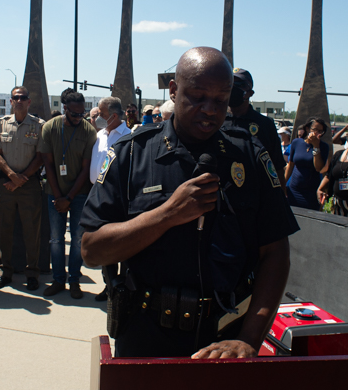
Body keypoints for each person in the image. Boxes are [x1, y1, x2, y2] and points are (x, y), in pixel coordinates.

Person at [81, 47, 298, 358]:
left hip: (227, 337)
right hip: (147, 336)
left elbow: (276, 253)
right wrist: (167, 214)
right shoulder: (132, 155)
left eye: (221, 100)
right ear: (173, 90)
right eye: (197, 96)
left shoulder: (249, 157)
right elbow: (91, 249)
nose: (210, 109)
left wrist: (249, 338)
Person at [40, 89, 97, 299]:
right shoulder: (49, 127)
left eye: (82, 113)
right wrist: (58, 196)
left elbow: (86, 168)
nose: (79, 117)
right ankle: (58, 280)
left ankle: (74, 280)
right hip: (54, 192)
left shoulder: (88, 131)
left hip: (79, 194)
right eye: (75, 114)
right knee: (55, 239)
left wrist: (69, 198)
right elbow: (49, 164)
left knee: (77, 239)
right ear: (65, 109)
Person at [0, 86, 45, 290]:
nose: (19, 101)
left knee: (32, 232)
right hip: (6, 185)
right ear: (11, 101)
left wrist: (21, 179)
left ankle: (32, 272)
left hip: (29, 186)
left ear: (29, 101)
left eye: (23, 97)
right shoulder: (2, 124)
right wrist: (12, 176)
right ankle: (4, 271)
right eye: (16, 98)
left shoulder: (39, 125)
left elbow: (40, 156)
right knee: (3, 229)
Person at [89, 96, 132, 302]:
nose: (97, 117)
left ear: (113, 116)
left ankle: (121, 285)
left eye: (101, 115)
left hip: (119, 198)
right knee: (105, 244)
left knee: (120, 244)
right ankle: (108, 285)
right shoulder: (100, 135)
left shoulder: (129, 136)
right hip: (98, 195)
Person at [223, 67, 286, 188]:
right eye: (230, 84)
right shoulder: (216, 120)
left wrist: (281, 199)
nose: (233, 89)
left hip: (256, 194)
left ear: (250, 93)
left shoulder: (265, 124)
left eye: (239, 85)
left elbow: (277, 166)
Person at [284, 118, 330, 210]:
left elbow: (318, 168)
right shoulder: (296, 142)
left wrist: (316, 146)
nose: (316, 133)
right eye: (314, 129)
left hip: (311, 191)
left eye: (320, 131)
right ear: (308, 129)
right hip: (294, 189)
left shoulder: (323, 146)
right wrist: (283, 185)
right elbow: (290, 165)